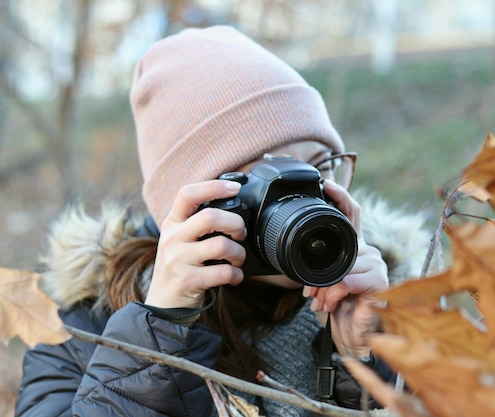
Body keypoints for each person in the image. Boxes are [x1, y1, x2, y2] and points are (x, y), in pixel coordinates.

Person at [15, 25, 429, 417]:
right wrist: (158, 336)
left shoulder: (398, 287)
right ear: (188, 209)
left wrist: (370, 358)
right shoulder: (80, 332)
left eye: (318, 169)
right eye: (264, 186)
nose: (304, 203)